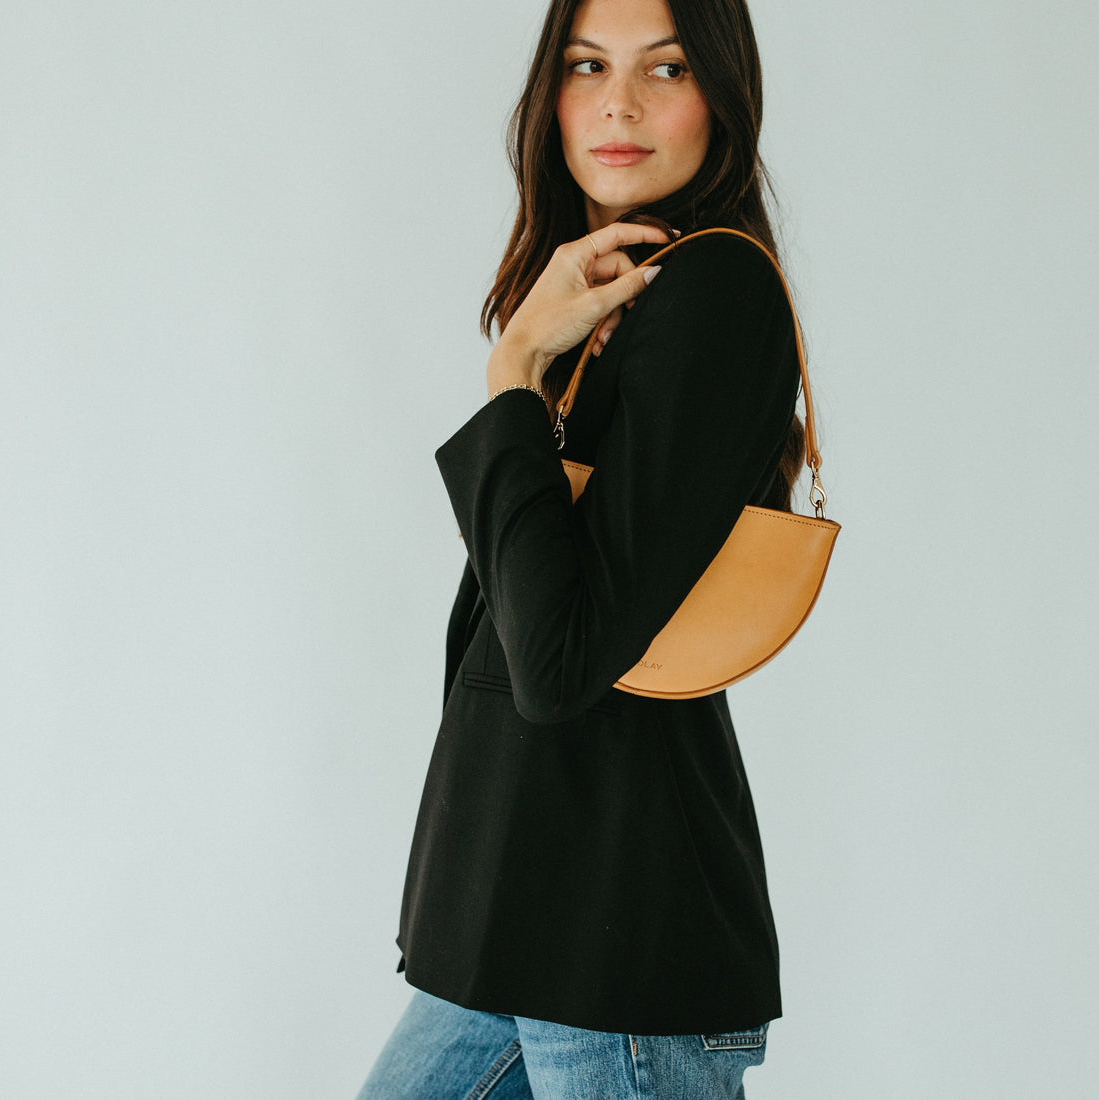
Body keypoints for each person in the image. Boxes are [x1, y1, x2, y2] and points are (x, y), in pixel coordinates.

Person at [357, 0, 807, 1095]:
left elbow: (554, 663)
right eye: (585, 65)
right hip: (521, 919)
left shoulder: (712, 290)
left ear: (722, 96)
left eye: (664, 68)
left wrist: (510, 373)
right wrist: (535, 355)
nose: (617, 100)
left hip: (618, 955)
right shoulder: (610, 305)